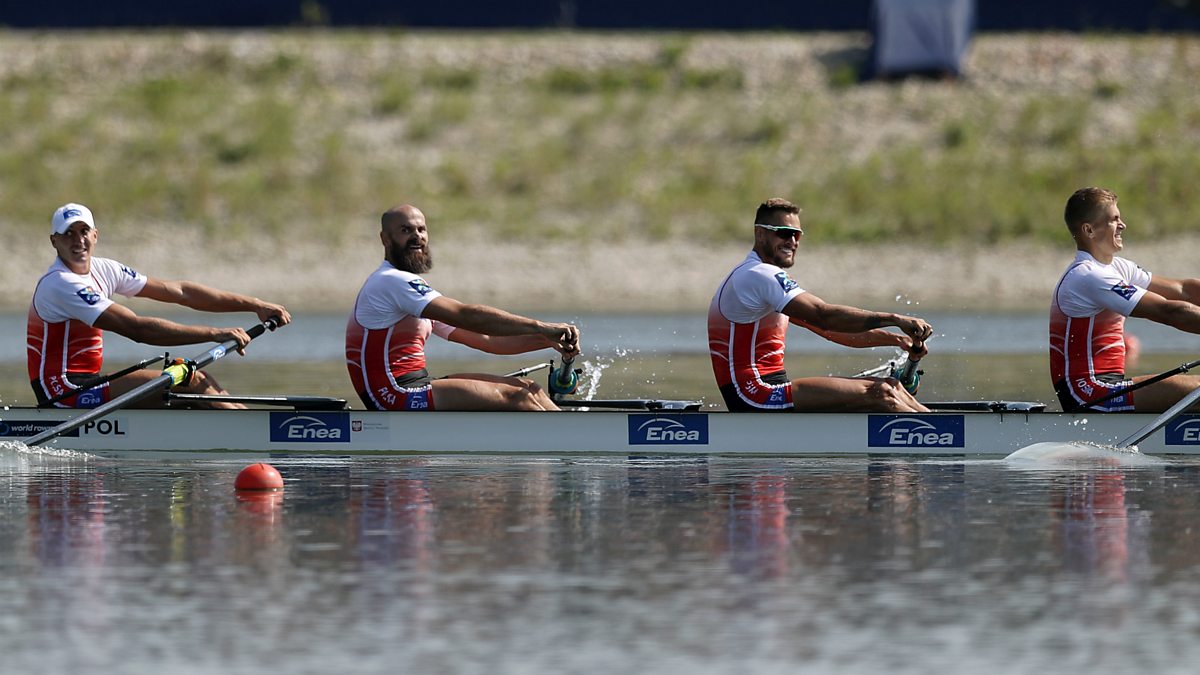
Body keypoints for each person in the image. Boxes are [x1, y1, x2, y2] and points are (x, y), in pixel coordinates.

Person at [28, 203, 291, 409]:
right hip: (63, 391)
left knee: (195, 382)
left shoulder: (105, 269)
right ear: (54, 241)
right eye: (68, 234)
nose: (78, 241)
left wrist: (255, 304)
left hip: (90, 381)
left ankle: (244, 435)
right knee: (192, 380)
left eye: (84, 231)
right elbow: (137, 329)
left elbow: (182, 292)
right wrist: (215, 334)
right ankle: (262, 437)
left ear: (95, 235)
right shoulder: (61, 284)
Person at [345, 204, 580, 411]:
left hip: (414, 385)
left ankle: (570, 444)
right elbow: (466, 316)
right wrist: (539, 326)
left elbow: (488, 339)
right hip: (391, 394)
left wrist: (547, 340)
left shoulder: (412, 292)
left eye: (421, 229)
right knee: (517, 397)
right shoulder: (390, 281)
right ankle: (574, 448)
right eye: (405, 230)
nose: (417, 236)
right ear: (385, 238)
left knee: (530, 389)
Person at [708, 198, 933, 412]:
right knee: (881, 392)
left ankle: (940, 431)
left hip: (769, 389)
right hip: (751, 394)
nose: (792, 241)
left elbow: (830, 330)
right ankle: (944, 436)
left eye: (797, 235)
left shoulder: (760, 280)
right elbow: (823, 315)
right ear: (760, 233)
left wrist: (897, 340)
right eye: (784, 233)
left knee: (893, 387)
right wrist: (895, 319)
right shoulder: (758, 275)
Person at [1051, 186, 1200, 412]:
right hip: (1088, 393)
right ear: (1089, 230)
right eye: (1114, 219)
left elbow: (1183, 290)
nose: (1123, 225)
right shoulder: (1088, 276)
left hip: (1112, 386)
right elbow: (1170, 312)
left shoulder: (1118, 267)